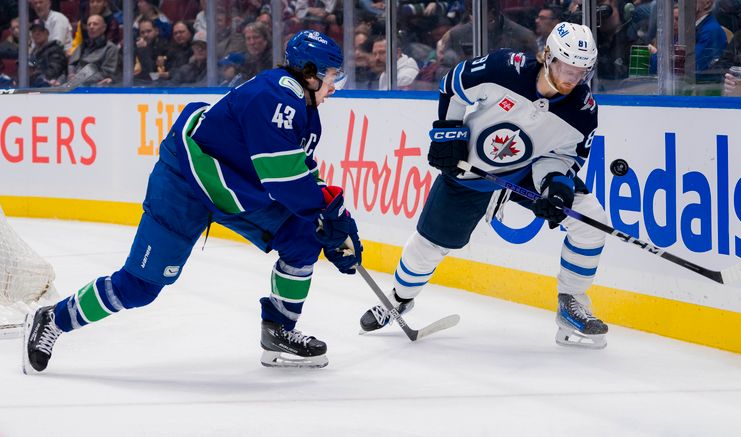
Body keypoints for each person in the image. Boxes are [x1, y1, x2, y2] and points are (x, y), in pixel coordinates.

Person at [23, 30, 362, 374]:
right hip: (185, 182)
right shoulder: (275, 97)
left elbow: (300, 168)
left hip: (236, 188)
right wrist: (328, 214)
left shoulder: (304, 107)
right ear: (309, 73)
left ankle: (279, 332)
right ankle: (53, 318)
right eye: (334, 76)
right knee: (140, 287)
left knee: (303, 236)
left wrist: (337, 217)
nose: (337, 85)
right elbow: (284, 179)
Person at [358, 22, 611, 349]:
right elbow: (453, 84)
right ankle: (399, 298)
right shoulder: (505, 68)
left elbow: (564, 156)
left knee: (592, 222)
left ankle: (572, 304)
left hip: (525, 173)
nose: (570, 79)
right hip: (470, 170)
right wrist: (449, 133)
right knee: (428, 246)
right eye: (565, 67)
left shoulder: (583, 111)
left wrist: (555, 187)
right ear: (547, 56)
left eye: (580, 72)